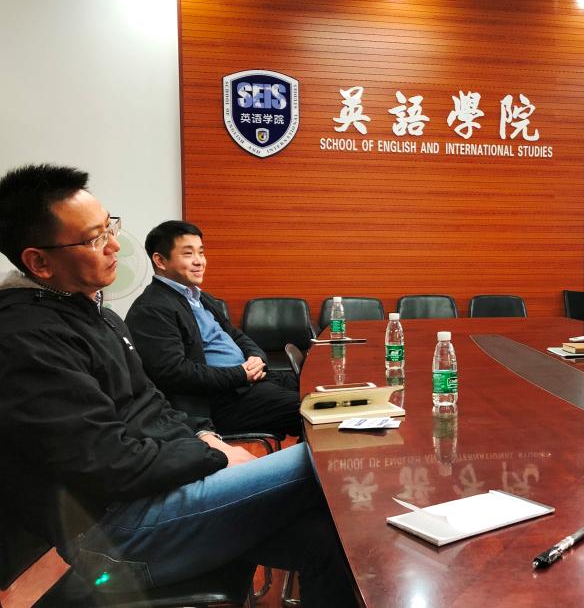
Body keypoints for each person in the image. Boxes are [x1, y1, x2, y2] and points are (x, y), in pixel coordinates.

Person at [0, 164, 354, 605]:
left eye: (110, 226)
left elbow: (152, 403)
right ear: (38, 261)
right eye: (93, 239)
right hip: (115, 534)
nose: (114, 245)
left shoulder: (96, 314)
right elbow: (109, 463)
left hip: (160, 495)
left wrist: (204, 438)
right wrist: (213, 456)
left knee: (328, 539)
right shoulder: (25, 337)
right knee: (336, 456)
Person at [126, 220, 300, 437]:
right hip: (221, 401)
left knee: (323, 390)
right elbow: (175, 372)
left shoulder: (200, 297)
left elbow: (234, 334)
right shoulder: (151, 309)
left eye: (201, 252)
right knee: (315, 410)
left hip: (250, 382)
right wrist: (240, 374)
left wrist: (256, 357)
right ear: (160, 260)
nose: (199, 261)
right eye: (188, 254)